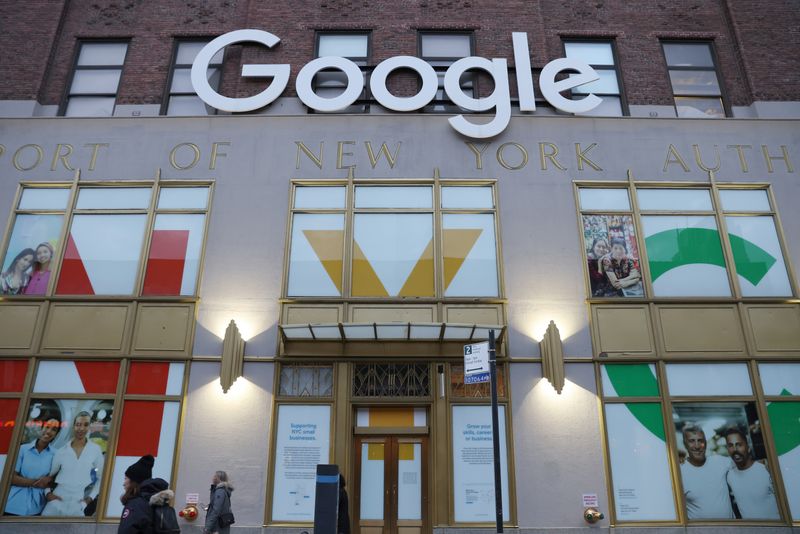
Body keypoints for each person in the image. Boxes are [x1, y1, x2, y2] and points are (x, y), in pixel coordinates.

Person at [41, 411, 105, 516]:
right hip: (57, 499)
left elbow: (101, 478)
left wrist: (88, 500)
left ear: (89, 427)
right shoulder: (61, 451)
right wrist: (48, 494)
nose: (81, 428)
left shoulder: (95, 450)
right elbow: (49, 476)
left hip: (78, 503)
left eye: (85, 425)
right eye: (78, 425)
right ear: (73, 426)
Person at [4, 417, 61, 516]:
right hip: (12, 505)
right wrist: (38, 483)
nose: (49, 431)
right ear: (41, 428)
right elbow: (12, 478)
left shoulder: (56, 454)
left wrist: (47, 481)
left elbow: (52, 481)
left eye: (54, 429)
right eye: (47, 427)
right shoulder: (23, 449)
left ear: (56, 434)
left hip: (36, 508)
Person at [678, 424, 734, 519]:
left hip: (730, 529)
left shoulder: (719, 461)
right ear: (685, 444)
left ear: (706, 443)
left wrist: (764, 462)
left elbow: (744, 464)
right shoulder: (679, 472)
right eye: (691, 441)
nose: (697, 446)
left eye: (700, 441)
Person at [724, 428, 780, 519]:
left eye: (739, 445)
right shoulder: (730, 476)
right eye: (730, 445)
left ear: (748, 447)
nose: (735, 449)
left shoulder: (766, 470)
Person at [117, 455, 173, 534]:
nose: (124, 483)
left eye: (126, 478)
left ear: (134, 482)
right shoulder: (158, 503)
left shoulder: (135, 504)